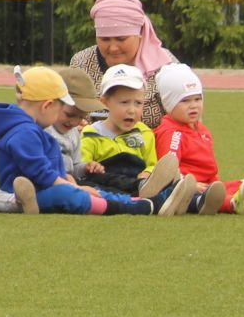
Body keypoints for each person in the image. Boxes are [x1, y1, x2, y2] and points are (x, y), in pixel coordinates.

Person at [0, 66, 152, 216]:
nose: (75, 121)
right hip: (34, 194)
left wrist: (73, 180)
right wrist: (74, 187)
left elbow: (56, 169)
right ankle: (125, 206)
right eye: (62, 110)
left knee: (86, 189)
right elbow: (41, 173)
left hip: (45, 188)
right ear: (47, 106)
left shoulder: (32, 128)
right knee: (69, 194)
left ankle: (136, 201)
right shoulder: (25, 132)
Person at [78, 64, 194, 214]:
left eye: (138, 103)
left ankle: (197, 200)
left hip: (139, 180)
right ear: (104, 102)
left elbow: (152, 164)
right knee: (93, 185)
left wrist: (147, 173)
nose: (132, 110)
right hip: (108, 181)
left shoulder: (144, 132)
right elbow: (82, 167)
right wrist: (90, 165)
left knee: (166, 184)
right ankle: (158, 199)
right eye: (124, 102)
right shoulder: (91, 133)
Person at [152, 63, 244, 215]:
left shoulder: (202, 129)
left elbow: (209, 167)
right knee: (203, 196)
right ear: (169, 103)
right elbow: (169, 170)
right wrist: (190, 185)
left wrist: (217, 184)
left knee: (237, 184)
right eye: (185, 101)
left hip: (207, 184)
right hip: (186, 187)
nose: (193, 106)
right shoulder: (171, 133)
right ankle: (232, 203)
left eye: (197, 99)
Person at [68, 0, 177, 129]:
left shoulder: (167, 67)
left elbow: (186, 123)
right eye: (105, 39)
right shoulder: (82, 63)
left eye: (121, 39)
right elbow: (67, 112)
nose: (113, 48)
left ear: (139, 34)